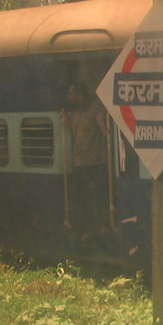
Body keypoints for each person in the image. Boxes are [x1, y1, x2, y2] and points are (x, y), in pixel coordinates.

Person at [61, 82, 110, 249]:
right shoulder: (74, 114)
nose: (69, 97)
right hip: (80, 163)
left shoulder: (95, 109)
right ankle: (86, 230)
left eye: (71, 94)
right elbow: (75, 133)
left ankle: (101, 229)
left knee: (97, 199)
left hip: (96, 163)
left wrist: (105, 130)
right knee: (80, 200)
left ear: (80, 95)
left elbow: (101, 120)